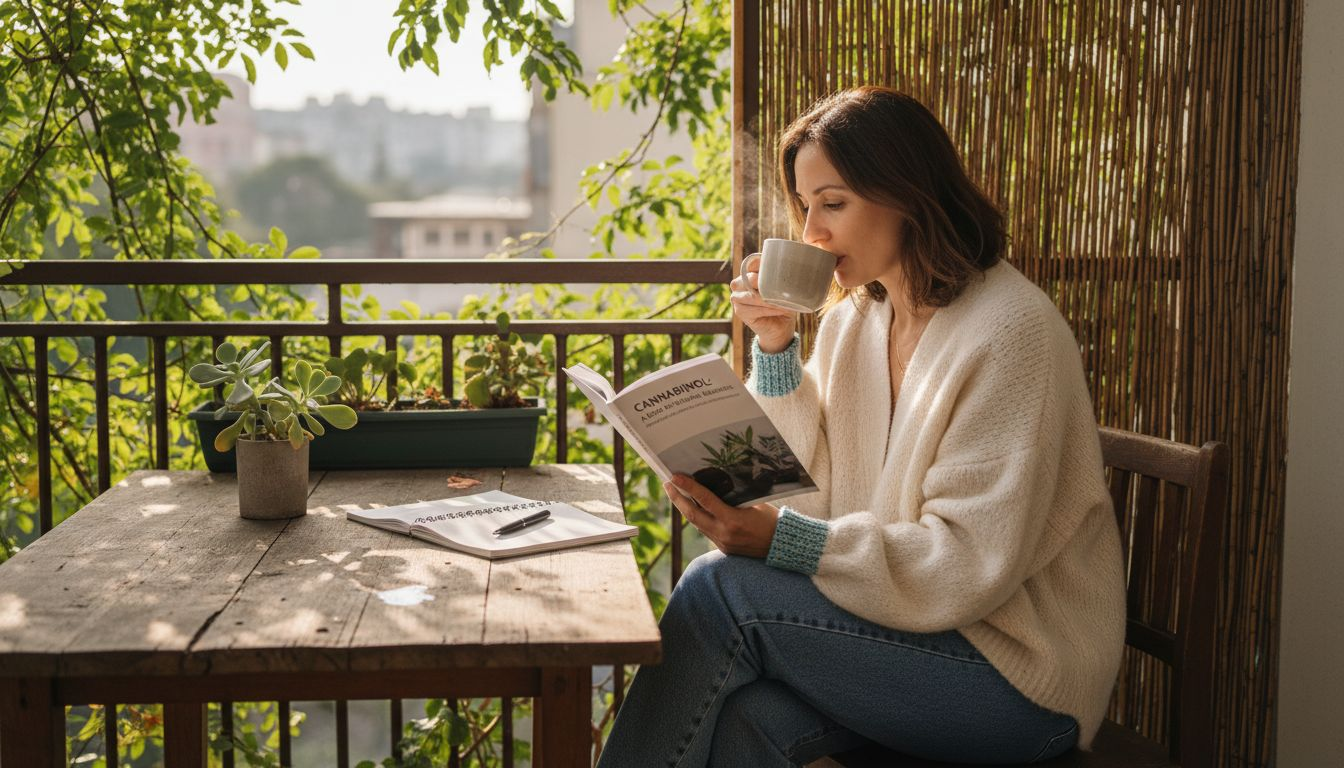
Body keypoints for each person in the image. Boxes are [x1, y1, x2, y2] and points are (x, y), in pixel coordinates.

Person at [597, 86, 1126, 767]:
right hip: (901, 634)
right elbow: (808, 497)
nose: (811, 233)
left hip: (1015, 676)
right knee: (746, 719)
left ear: (906, 193)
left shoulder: (1011, 333)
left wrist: (783, 540)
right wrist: (776, 349)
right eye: (806, 205)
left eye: (834, 204)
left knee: (717, 589)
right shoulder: (856, 322)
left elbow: (966, 564)